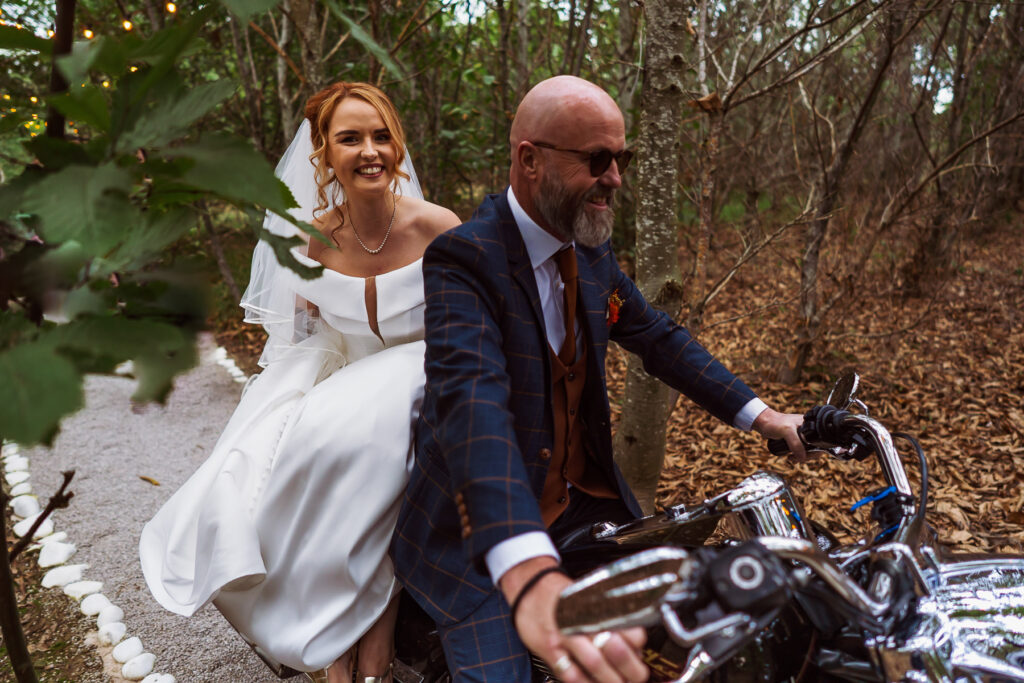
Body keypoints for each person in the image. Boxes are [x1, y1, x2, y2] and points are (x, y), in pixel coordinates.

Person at [391, 75, 806, 683]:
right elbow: (471, 405)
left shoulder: (589, 253)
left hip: (581, 508)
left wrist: (765, 416)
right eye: (597, 159)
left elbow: (656, 337)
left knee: (699, 635)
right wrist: (527, 569)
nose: (615, 177)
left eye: (622, 158)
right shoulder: (464, 260)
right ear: (529, 161)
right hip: (477, 538)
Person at [140, 81, 460, 683]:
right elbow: (300, 336)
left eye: (381, 135)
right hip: (348, 387)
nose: (370, 150)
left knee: (372, 439)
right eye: (350, 138)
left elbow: (473, 327)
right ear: (324, 155)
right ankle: (335, 651)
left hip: (432, 387)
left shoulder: (439, 227)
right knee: (272, 466)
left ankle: (371, 642)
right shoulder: (308, 240)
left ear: (398, 146)